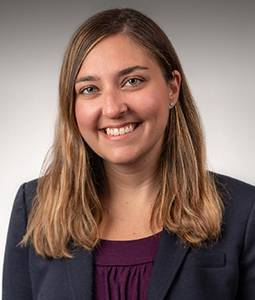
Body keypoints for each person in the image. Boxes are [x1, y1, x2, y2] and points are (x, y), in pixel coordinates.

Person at [2, 7, 255, 300]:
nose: (113, 108)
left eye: (132, 81)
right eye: (89, 89)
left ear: (172, 88)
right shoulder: (33, 208)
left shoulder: (245, 213)